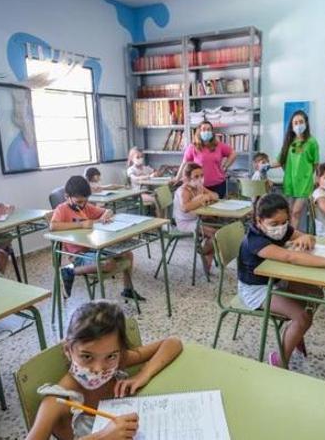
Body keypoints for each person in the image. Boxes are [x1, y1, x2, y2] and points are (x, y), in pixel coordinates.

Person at [25, 300, 183, 440]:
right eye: (87, 357)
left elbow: (173, 342)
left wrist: (143, 375)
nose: (98, 369)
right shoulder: (56, 401)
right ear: (68, 350)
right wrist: (101, 437)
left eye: (110, 356)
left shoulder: (119, 359)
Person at [237, 193, 325, 368]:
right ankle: (280, 360)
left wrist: (306, 237)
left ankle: (295, 333)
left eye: (284, 222)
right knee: (303, 318)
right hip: (256, 289)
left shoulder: (281, 228)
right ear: (259, 221)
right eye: (274, 224)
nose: (281, 227)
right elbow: (291, 257)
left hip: (275, 279)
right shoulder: (255, 240)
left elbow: (304, 237)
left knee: (315, 293)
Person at [51, 176, 144, 302]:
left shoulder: (86, 207)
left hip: (94, 248)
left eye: (85, 201)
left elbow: (108, 210)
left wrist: (105, 216)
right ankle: (70, 271)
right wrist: (81, 224)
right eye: (79, 202)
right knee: (107, 264)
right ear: (67, 197)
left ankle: (128, 289)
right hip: (78, 255)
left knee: (128, 254)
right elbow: (53, 226)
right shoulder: (62, 209)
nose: (82, 205)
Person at [173, 163, 219, 274]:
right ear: (187, 178)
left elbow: (216, 196)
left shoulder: (198, 187)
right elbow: (185, 207)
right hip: (184, 223)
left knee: (217, 234)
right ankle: (203, 254)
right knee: (216, 235)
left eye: (202, 175)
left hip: (196, 220)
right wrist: (202, 199)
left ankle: (204, 255)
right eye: (196, 177)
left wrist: (206, 196)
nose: (200, 179)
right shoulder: (183, 190)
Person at [278, 111, 318, 229]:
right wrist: (266, 166)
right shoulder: (289, 141)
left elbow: (315, 164)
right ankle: (289, 237)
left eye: (301, 122)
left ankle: (292, 238)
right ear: (292, 125)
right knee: (289, 214)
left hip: (304, 184)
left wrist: (308, 175)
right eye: (295, 122)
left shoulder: (312, 142)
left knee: (296, 212)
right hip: (290, 183)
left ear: (306, 123)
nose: (298, 125)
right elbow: (280, 160)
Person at [176, 120, 235, 197]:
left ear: (212, 132)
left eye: (208, 129)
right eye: (203, 129)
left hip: (219, 185)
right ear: (199, 132)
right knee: (201, 208)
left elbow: (233, 153)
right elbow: (184, 163)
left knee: (218, 208)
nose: (206, 132)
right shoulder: (192, 147)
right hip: (199, 186)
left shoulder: (219, 146)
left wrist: (225, 166)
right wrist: (177, 178)